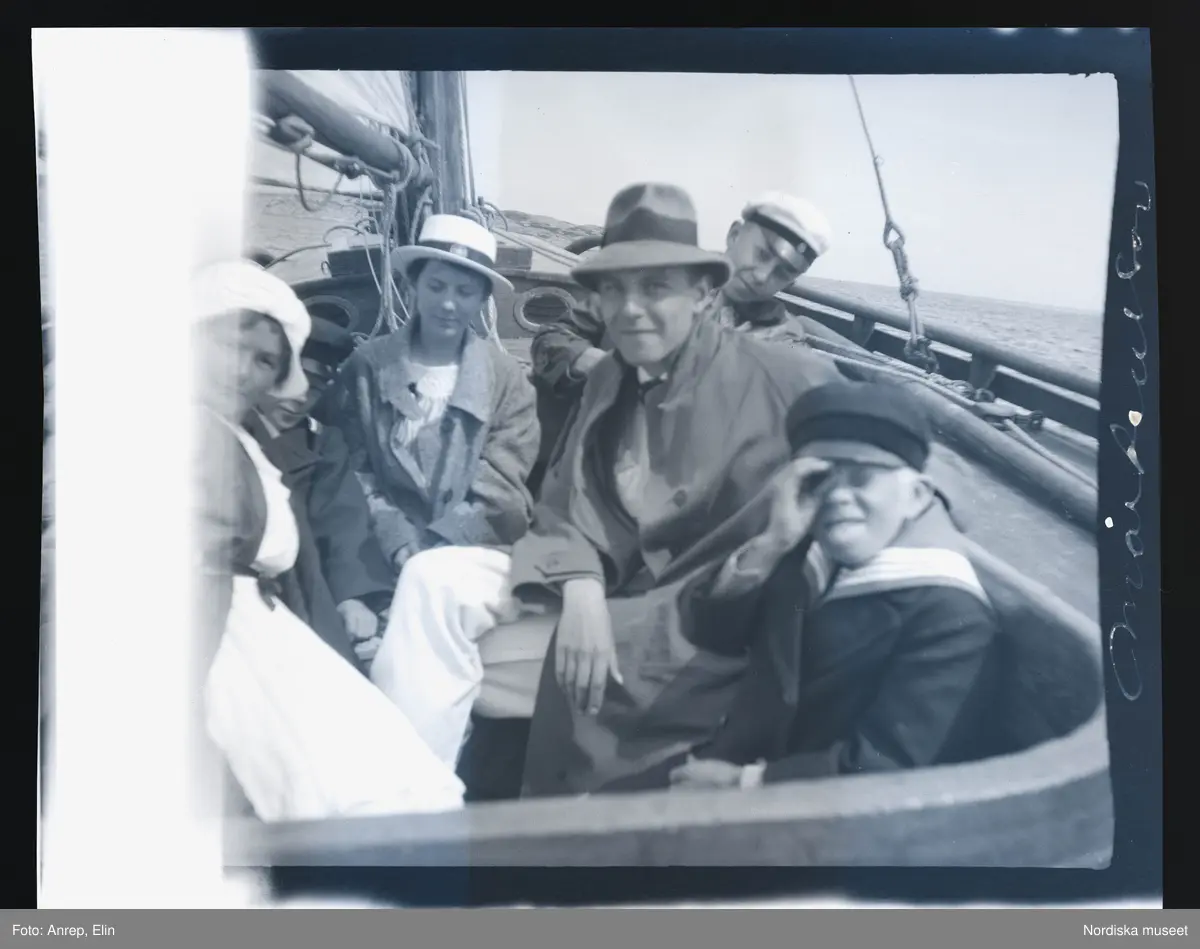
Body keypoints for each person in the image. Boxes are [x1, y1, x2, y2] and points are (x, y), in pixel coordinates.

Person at [379, 183, 843, 795]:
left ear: (702, 294)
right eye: (614, 290)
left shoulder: (789, 375)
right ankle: (407, 812)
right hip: (604, 588)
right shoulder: (614, 374)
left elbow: (887, 458)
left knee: (444, 667)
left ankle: (419, 798)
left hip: (685, 627)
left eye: (655, 288)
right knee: (432, 583)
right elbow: (564, 500)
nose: (630, 309)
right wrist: (582, 589)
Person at [193, 259, 464, 822]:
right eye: (232, 347)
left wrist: (356, 595)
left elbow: (343, 523)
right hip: (221, 627)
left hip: (281, 608)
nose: (245, 372)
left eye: (265, 362)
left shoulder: (304, 442)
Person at [666, 379, 1001, 792]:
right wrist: (771, 544)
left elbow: (889, 766)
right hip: (730, 751)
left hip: (818, 806)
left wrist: (743, 782)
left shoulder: (951, 618)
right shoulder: (805, 551)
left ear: (915, 496)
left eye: (861, 478)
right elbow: (710, 631)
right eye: (819, 480)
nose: (838, 496)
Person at [527, 191, 833, 489]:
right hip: (581, 458)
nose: (763, 276)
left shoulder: (783, 342)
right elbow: (553, 337)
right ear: (735, 234)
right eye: (762, 254)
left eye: (783, 272)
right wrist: (591, 363)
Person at [244, 316, 396, 671]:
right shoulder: (226, 433)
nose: (299, 399)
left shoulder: (322, 443)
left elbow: (343, 524)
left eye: (314, 388)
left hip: (309, 588)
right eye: (287, 381)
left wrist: (352, 597)